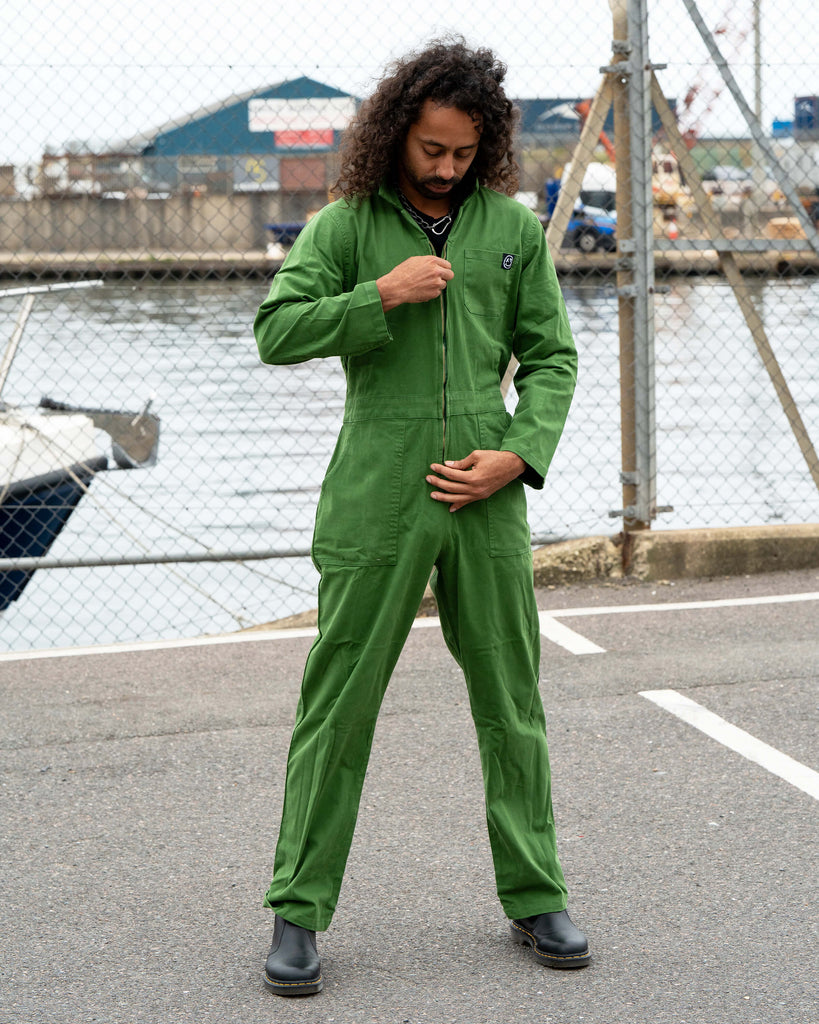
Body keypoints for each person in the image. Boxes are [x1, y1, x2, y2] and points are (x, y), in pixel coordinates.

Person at [253, 39, 588, 996]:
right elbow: (276, 330)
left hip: (484, 496)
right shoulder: (348, 223)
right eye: (430, 149)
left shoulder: (511, 230)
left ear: (484, 146)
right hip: (377, 488)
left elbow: (552, 358)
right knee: (339, 702)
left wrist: (517, 454)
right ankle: (297, 911)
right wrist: (377, 296)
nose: (444, 168)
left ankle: (535, 895)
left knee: (511, 701)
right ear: (399, 132)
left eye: (460, 154)